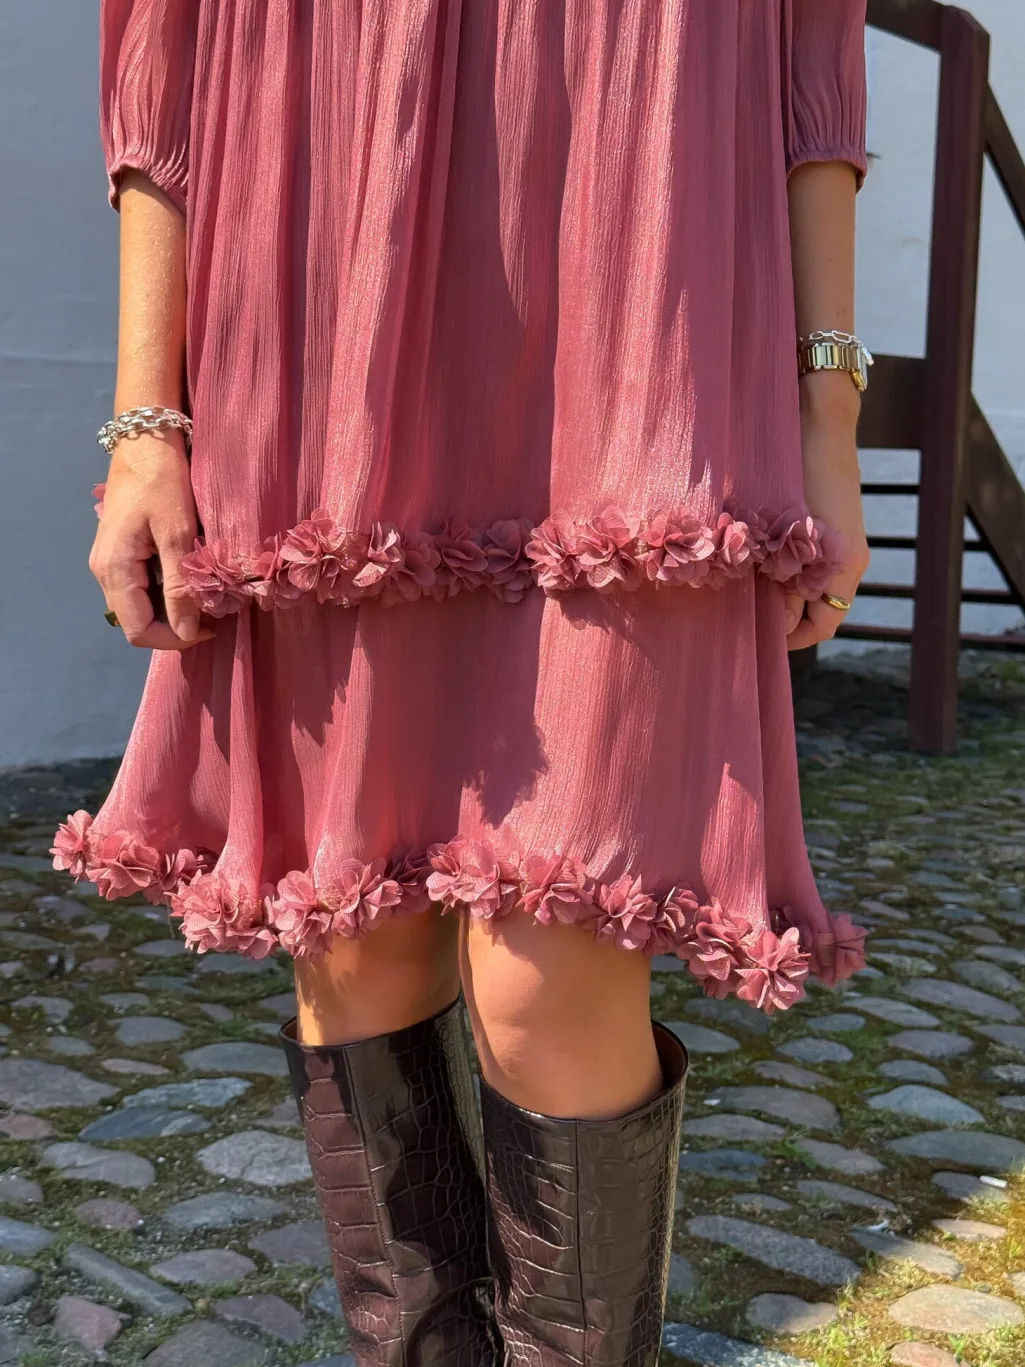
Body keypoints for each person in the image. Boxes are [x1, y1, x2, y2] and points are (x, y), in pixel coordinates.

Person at [54, 2, 870, 1363]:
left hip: (644, 332)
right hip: (323, 318)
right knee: (358, 937)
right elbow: (165, 57)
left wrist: (826, 413)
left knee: (554, 973)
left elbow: (811, 66)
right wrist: (148, 423)